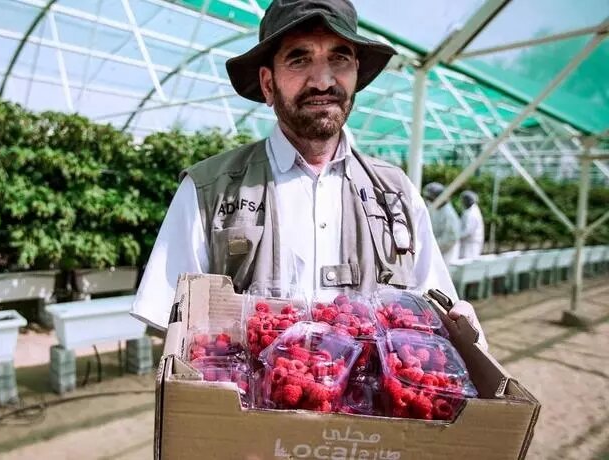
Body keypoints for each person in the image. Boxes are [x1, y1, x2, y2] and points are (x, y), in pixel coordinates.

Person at [130, 0, 486, 348]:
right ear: (268, 84)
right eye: (299, 59)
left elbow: (432, 323)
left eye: (339, 58)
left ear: (356, 73)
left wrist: (458, 328)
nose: (322, 81)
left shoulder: (397, 194)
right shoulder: (209, 191)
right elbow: (175, 332)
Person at [422, 182, 460, 264]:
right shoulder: (436, 209)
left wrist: (430, 246)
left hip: (446, 255)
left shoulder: (448, 214)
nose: (428, 201)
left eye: (430, 198)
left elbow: (450, 239)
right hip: (436, 252)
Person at [459, 190, 485, 259]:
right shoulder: (468, 211)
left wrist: (456, 237)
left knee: (468, 261)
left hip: (471, 244)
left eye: (463, 200)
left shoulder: (472, 213)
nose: (462, 202)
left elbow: (467, 231)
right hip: (467, 243)